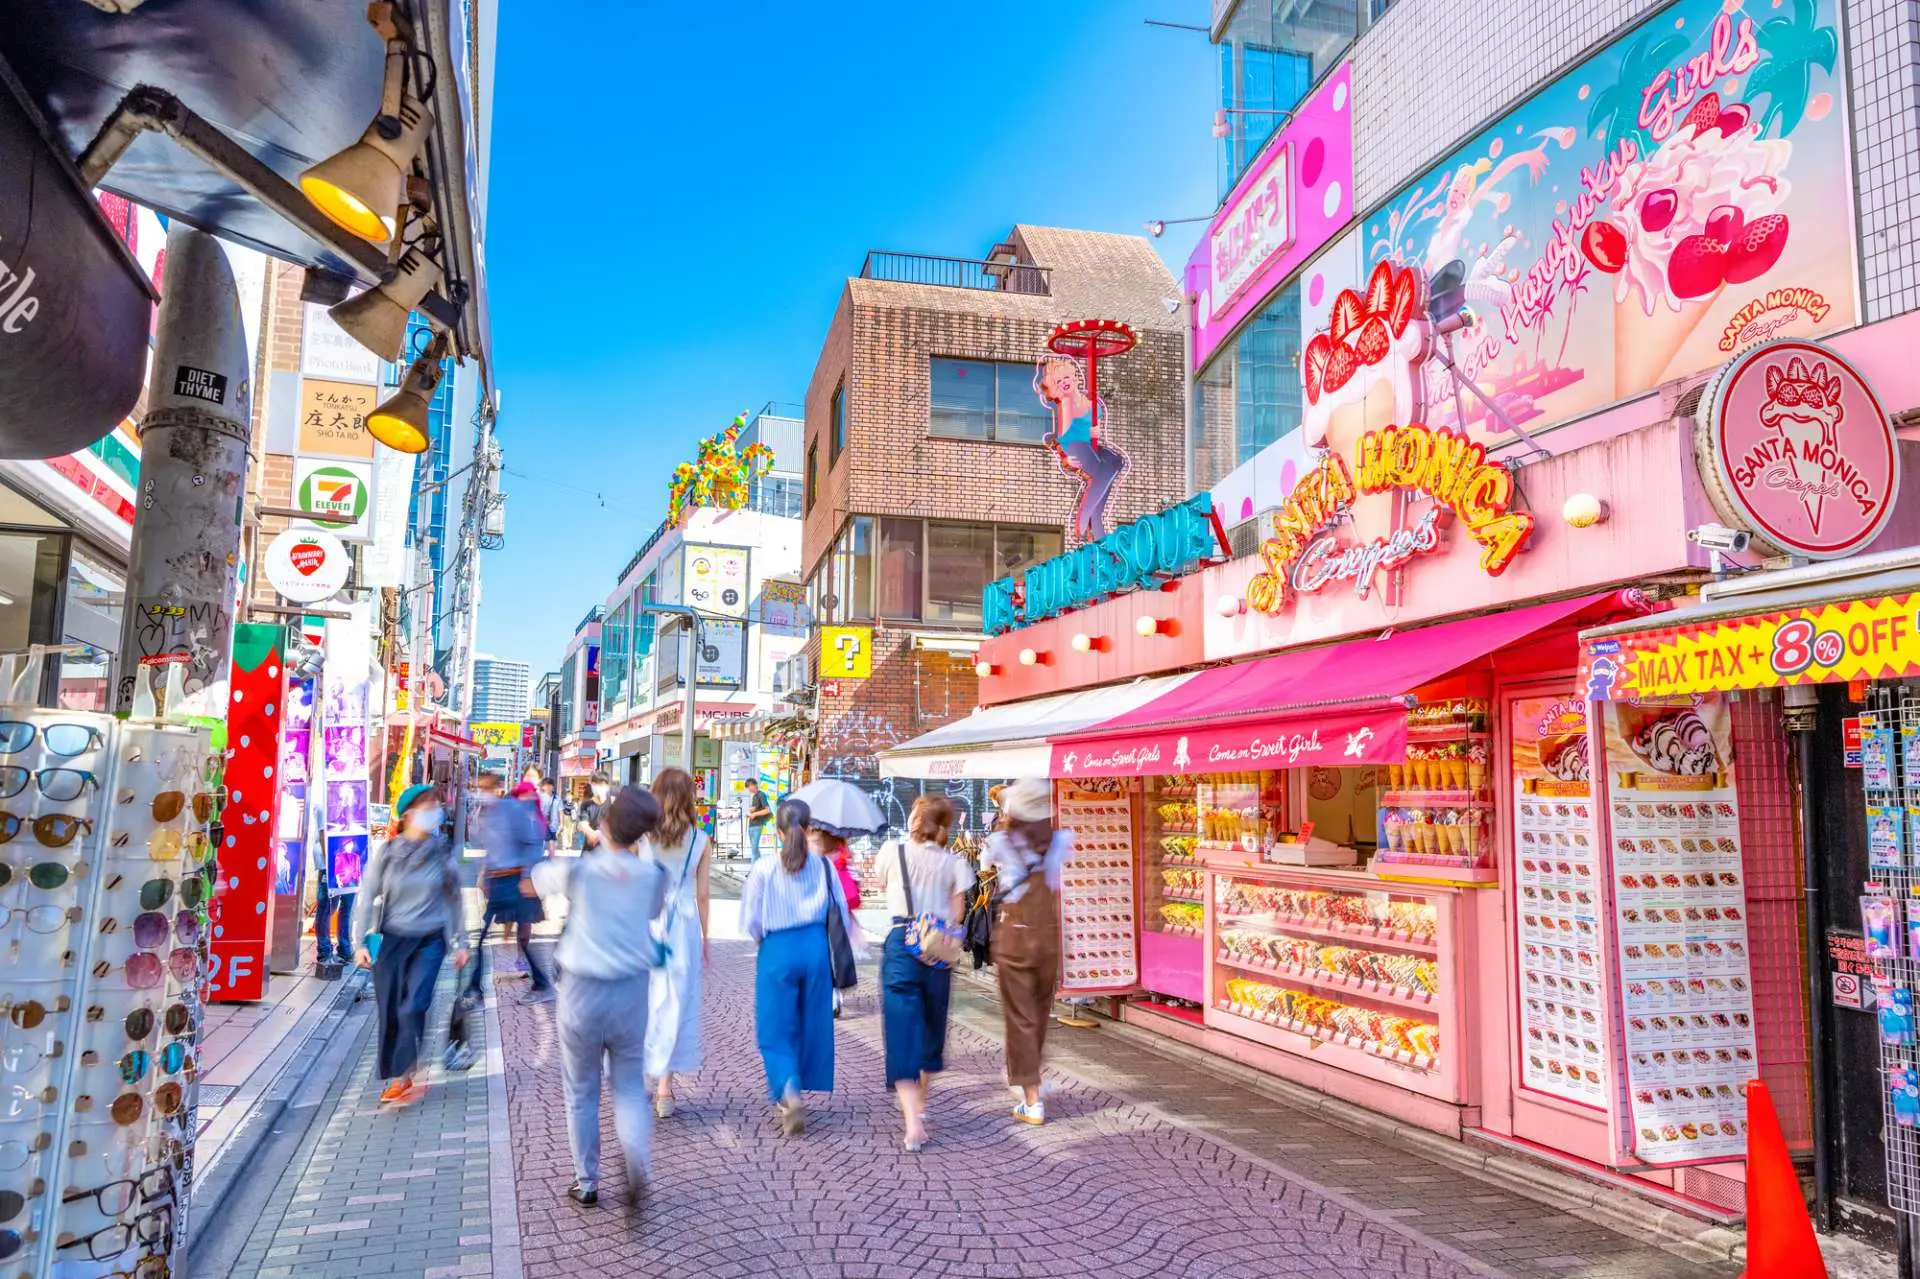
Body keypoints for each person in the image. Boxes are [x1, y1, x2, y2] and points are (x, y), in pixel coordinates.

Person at [530, 786, 668, 1208]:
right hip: (630, 991)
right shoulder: (654, 875)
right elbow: (651, 912)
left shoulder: (581, 872)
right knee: (628, 1086)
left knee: (581, 1089)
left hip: (581, 992)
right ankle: (633, 1158)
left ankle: (587, 1181)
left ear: (605, 824)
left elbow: (539, 879)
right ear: (641, 834)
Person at [740, 798, 857, 1135]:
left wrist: (762, 941)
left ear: (777, 832)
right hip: (816, 949)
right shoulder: (823, 867)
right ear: (808, 830)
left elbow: (751, 919)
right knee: (810, 1022)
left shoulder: (764, 867)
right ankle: (800, 1081)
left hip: (777, 948)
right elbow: (841, 915)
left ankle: (788, 1087)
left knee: (775, 1026)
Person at [353, 784, 470, 1105]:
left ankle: (406, 1073)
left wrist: (462, 941)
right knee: (392, 1008)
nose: (434, 811)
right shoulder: (388, 853)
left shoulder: (442, 852)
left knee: (413, 1005)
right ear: (407, 814)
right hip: (392, 940)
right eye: (426, 805)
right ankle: (405, 1068)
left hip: (430, 940)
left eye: (435, 805)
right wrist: (359, 941)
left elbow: (455, 898)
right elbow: (366, 897)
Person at [873, 795, 973, 1152]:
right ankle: (923, 1102)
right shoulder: (955, 863)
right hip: (937, 948)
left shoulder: (891, 851)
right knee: (932, 1024)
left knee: (902, 1027)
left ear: (914, 817)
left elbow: (882, 885)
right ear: (945, 825)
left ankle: (913, 1123)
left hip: (901, 941)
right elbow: (957, 916)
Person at [980, 778, 1072, 1126]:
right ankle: (1028, 1078)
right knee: (1039, 1009)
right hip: (1048, 934)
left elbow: (985, 866)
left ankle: (1031, 1099)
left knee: (1019, 1015)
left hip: (1015, 935)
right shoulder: (1061, 840)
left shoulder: (1001, 842)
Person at [643, 767, 710, 1119]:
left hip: (646, 922)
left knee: (645, 999)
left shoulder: (643, 836)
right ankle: (665, 1088)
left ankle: (641, 1077)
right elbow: (702, 894)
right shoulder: (700, 839)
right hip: (682, 925)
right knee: (675, 1002)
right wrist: (706, 935)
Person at [468, 777, 553, 1003]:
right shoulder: (481, 815)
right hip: (497, 881)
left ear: (496, 789)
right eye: (479, 787)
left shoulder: (511, 809)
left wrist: (526, 876)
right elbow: (487, 849)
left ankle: (543, 984)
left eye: (486, 787)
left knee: (520, 936)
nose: (482, 792)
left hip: (515, 879)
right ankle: (475, 988)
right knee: (482, 936)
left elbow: (534, 841)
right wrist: (484, 876)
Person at [313, 840, 354, 978]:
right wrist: (331, 862)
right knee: (327, 909)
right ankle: (324, 952)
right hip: (329, 865)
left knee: (346, 909)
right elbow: (322, 832)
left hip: (350, 866)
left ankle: (345, 950)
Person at [574, 775, 610, 852]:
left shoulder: (613, 804)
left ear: (607, 786)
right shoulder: (586, 804)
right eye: (595, 784)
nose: (598, 787)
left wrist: (601, 834)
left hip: (607, 851)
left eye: (601, 784)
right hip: (589, 850)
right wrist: (593, 834)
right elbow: (583, 823)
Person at [743, 779, 772, 859]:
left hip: (757, 824)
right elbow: (756, 807)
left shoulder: (761, 795)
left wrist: (755, 814)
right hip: (751, 824)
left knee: (754, 849)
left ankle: (754, 868)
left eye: (748, 787)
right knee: (754, 849)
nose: (748, 789)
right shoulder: (754, 796)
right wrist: (750, 811)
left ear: (753, 785)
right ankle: (760, 866)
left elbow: (767, 810)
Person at [539, 778, 563, 852]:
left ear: (553, 786)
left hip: (554, 826)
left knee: (552, 847)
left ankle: (552, 861)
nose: (549, 787)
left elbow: (561, 811)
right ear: (543, 787)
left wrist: (561, 825)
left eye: (550, 785)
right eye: (546, 785)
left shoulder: (557, 798)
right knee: (540, 847)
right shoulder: (539, 798)